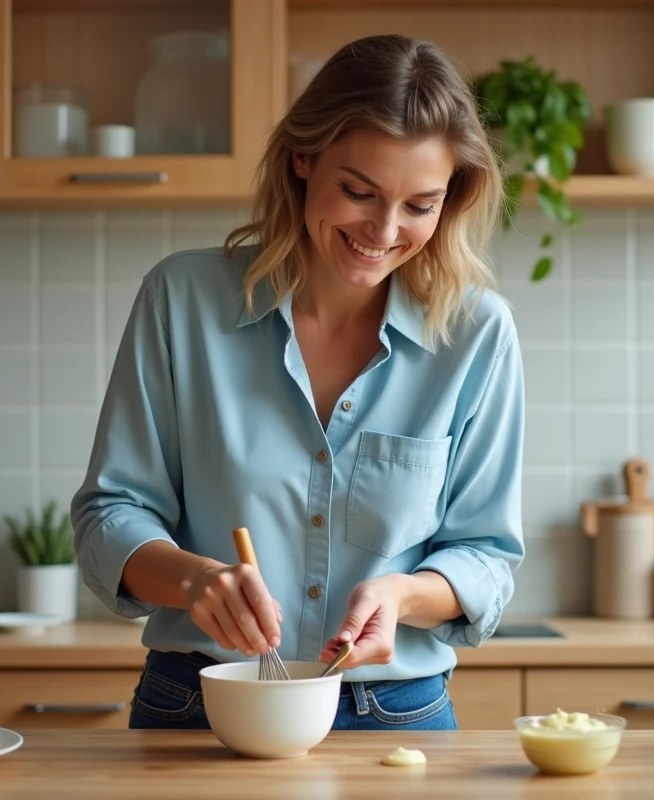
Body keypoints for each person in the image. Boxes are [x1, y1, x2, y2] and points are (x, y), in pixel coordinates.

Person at [71, 33, 526, 732]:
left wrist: (402, 596)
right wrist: (196, 580)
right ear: (302, 159)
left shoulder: (476, 334)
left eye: (420, 205)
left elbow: (486, 555)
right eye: (359, 192)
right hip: (201, 705)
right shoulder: (181, 299)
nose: (384, 230)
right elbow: (110, 516)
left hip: (393, 712)